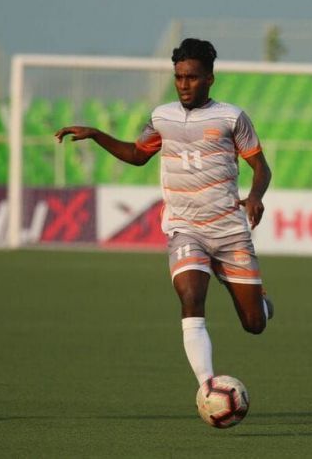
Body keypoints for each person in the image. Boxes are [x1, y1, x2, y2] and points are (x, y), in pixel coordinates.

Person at [55, 38, 273, 387]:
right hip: (185, 228)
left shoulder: (232, 118)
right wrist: (97, 134)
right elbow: (137, 155)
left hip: (229, 230)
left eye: (192, 77)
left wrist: (256, 195)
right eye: (179, 77)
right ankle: (208, 386)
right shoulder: (162, 116)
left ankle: (261, 302)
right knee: (190, 297)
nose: (184, 84)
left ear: (210, 79)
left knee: (254, 324)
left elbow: (261, 167)